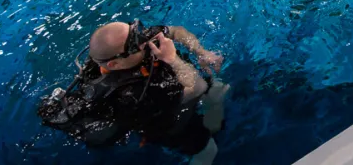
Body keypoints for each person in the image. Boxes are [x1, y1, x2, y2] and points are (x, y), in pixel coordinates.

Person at [37, 21, 229, 164]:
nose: (143, 40)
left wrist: (201, 52)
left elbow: (175, 31)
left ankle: (214, 121)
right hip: (165, 121)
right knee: (208, 149)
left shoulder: (131, 42)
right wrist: (172, 59)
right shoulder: (129, 94)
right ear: (114, 64)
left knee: (220, 89)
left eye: (136, 30)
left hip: (180, 87)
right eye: (134, 43)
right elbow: (197, 88)